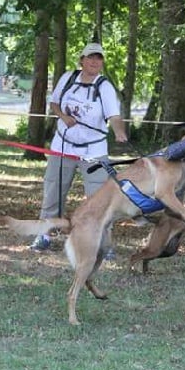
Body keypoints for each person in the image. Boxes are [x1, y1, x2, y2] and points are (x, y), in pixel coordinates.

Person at [30, 42, 128, 257]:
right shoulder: (67, 78)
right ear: (82, 60)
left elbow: (114, 116)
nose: (95, 61)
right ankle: (45, 235)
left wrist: (119, 132)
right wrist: (63, 117)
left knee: (100, 198)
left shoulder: (105, 87)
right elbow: (54, 103)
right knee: (53, 192)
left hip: (94, 151)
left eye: (99, 58)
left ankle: (104, 243)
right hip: (62, 146)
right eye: (90, 57)